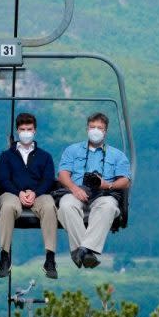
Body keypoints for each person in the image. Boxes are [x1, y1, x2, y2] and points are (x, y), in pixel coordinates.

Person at [56, 112, 131, 269]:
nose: (95, 130)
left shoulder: (117, 155)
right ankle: (87, 251)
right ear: (87, 129)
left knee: (109, 206)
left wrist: (107, 185)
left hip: (103, 193)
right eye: (92, 127)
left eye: (99, 128)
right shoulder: (72, 150)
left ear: (105, 131)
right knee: (66, 206)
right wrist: (74, 189)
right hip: (76, 192)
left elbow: (125, 180)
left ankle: (80, 250)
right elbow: (63, 174)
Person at [0, 112, 58, 279]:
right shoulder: (7, 156)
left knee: (50, 206)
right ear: (17, 131)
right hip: (13, 193)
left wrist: (35, 192)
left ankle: (50, 258)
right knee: (7, 206)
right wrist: (19, 193)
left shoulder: (45, 156)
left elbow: (48, 178)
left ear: (35, 131)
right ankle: (4, 255)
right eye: (22, 129)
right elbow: (3, 178)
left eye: (29, 129)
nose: (26, 132)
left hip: (38, 193)